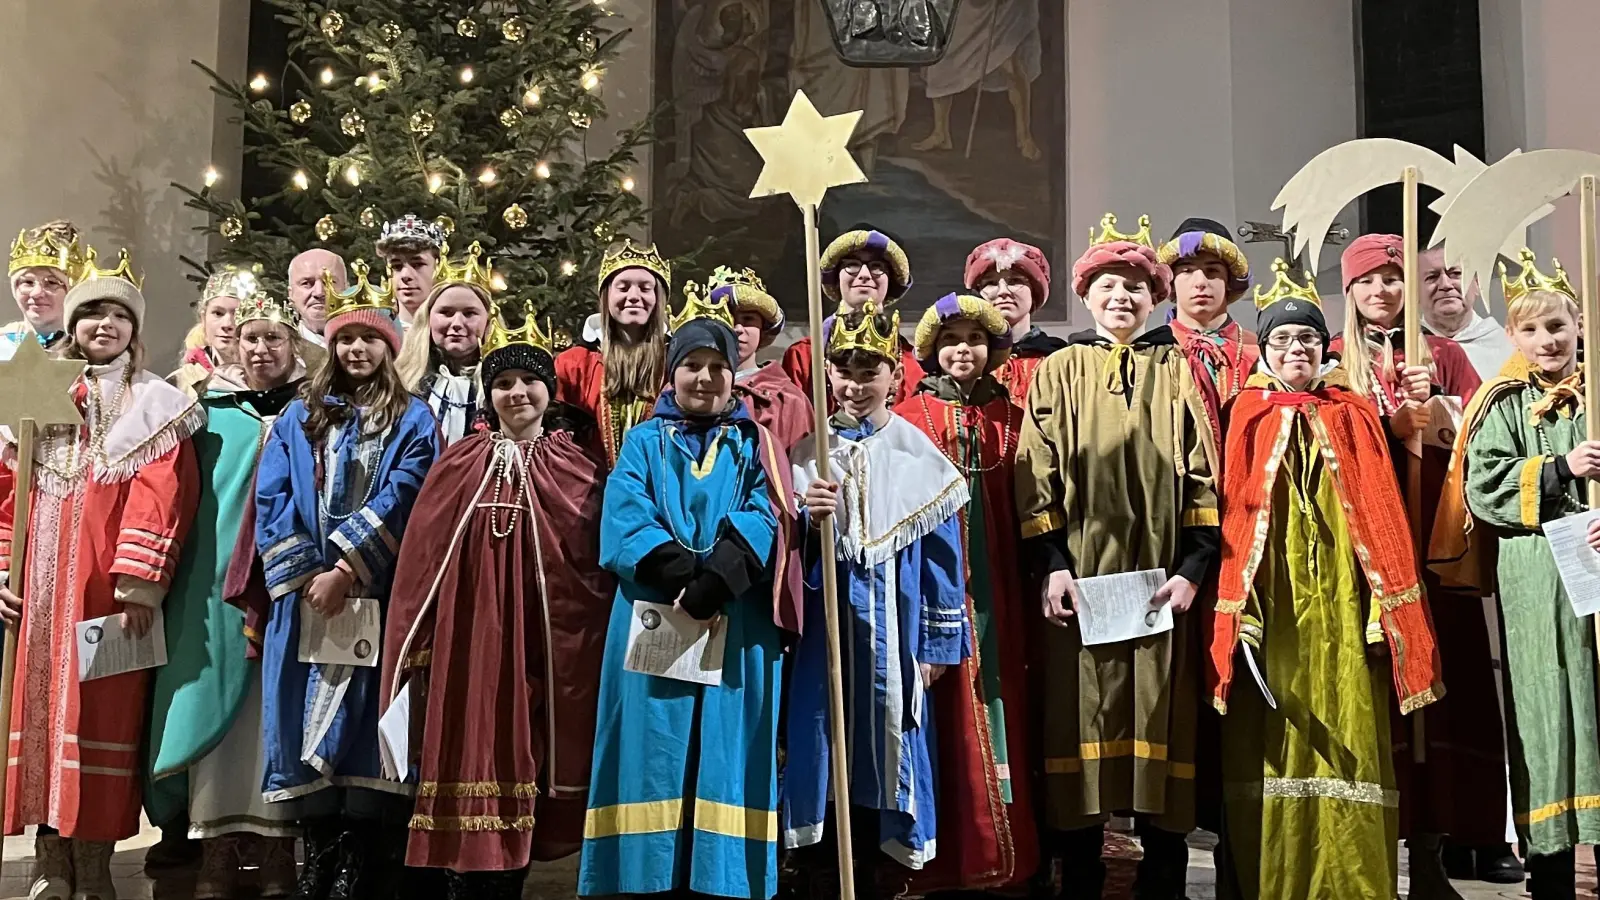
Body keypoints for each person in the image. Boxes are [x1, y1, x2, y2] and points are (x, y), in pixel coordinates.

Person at [1209, 261, 1445, 900]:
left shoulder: (1354, 411)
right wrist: (1243, 606)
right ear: (1265, 350)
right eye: (1282, 340)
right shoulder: (1245, 413)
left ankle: (1352, 880)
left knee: (1349, 724)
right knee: (1276, 729)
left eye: (1307, 340)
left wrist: (1382, 606)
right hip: (1276, 602)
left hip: (1343, 601)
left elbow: (1382, 511)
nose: (1296, 350)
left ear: (1323, 346)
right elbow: (1236, 512)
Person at [1014, 214, 1218, 900]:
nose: (1122, 298)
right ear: (1087, 294)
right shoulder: (1060, 370)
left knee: (1161, 717)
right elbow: (1032, 466)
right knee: (1081, 719)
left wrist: (1194, 569)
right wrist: (1052, 565)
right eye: (1109, 286)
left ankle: (1163, 882)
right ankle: (1079, 881)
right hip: (1082, 581)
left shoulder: (1177, 370)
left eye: (1135, 286)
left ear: (1154, 296)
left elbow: (1201, 472)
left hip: (1162, 583)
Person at [385, 302, 613, 896]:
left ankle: (514, 868)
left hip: (542, 642)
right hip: (470, 640)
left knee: (536, 744)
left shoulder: (577, 464)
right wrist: (421, 635)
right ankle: (468, 867)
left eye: (529, 381)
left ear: (548, 390)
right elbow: (423, 557)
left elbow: (588, 567)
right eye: (504, 383)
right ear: (488, 394)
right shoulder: (459, 459)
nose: (517, 393)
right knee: (470, 737)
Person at [579, 289, 798, 900]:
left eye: (717, 368)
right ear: (672, 374)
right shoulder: (644, 441)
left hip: (737, 617)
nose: (704, 379)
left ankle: (720, 880)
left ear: (734, 378)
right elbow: (624, 517)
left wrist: (716, 581)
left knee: (729, 748)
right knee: (652, 744)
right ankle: (645, 879)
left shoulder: (758, 442)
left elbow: (769, 510)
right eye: (692, 366)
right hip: (657, 613)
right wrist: (685, 579)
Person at [0, 249, 203, 900]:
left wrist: (140, 580)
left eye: (119, 316)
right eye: (93, 315)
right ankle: (48, 860)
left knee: (102, 718)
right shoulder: (36, 389)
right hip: (37, 587)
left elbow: (165, 490)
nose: (105, 325)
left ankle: (94, 865)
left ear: (134, 331)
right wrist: (2, 569)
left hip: (106, 591)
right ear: (75, 324)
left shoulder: (155, 402)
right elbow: (8, 486)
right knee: (37, 718)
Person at [255, 259, 439, 898]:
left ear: (388, 347)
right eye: (345, 339)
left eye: (368, 339)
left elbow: (407, 493)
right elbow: (272, 497)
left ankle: (361, 859)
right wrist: (310, 575)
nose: (356, 348)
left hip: (376, 595)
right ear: (331, 346)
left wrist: (346, 567)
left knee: (369, 725)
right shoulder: (297, 417)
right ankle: (318, 855)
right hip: (307, 598)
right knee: (300, 720)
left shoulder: (414, 419)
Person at [1332, 234, 1507, 897]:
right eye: (1369, 281)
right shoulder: (1329, 358)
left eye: (1393, 279)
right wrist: (1385, 421)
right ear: (1349, 291)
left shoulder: (1443, 353)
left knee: (1445, 691)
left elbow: (1483, 434)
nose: (1382, 291)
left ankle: (1438, 847)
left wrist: (1435, 408)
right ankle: (1371, 853)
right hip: (1367, 552)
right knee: (1374, 696)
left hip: (1435, 545)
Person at [785, 303, 970, 893]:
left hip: (896, 623)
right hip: (824, 624)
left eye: (869, 372)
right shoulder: (805, 452)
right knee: (821, 730)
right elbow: (788, 558)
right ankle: (818, 857)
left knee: (888, 734)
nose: (855, 385)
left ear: (895, 375)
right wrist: (807, 521)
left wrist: (941, 642)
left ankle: (879, 854)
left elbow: (944, 559)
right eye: (843, 371)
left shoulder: (917, 453)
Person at [1431, 250, 1599, 900]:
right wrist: (1560, 468)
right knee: (1542, 704)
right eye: (1530, 330)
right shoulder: (1502, 402)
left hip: (1597, 561)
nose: (1547, 341)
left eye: (1556, 326)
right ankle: (1551, 866)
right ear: (1513, 336)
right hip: (1536, 571)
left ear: (1577, 324)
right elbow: (1484, 486)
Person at [145, 290, 305, 899]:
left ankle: (276, 848)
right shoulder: (204, 409)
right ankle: (215, 846)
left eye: (274, 338)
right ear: (231, 344)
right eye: (250, 337)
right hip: (213, 584)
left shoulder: (313, 409)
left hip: (288, 583)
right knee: (214, 705)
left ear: (293, 347)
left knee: (278, 710)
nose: (261, 348)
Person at [895, 293, 1040, 891]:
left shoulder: (1015, 414)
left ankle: (1005, 850)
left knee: (1004, 699)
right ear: (931, 350)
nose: (963, 349)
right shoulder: (907, 417)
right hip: (931, 586)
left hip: (1002, 584)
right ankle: (941, 849)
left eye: (975, 340)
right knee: (940, 707)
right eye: (951, 339)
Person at [556, 238, 671, 467]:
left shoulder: (674, 362)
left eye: (645, 288)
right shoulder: (574, 364)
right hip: (588, 491)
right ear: (606, 296)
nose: (634, 296)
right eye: (624, 287)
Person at [781, 226, 923, 408]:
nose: (864, 275)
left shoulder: (912, 362)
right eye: (852, 265)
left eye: (877, 267)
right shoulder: (803, 356)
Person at [1149, 217, 1257, 449]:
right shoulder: (1151, 353)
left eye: (1212, 271)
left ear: (1228, 281)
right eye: (1187, 270)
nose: (1200, 282)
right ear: (1171, 282)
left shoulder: (1258, 351)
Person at [697, 265, 813, 451]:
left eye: (748, 319)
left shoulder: (788, 400)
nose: (737, 329)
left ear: (763, 329)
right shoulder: (685, 389)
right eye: (727, 318)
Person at [394, 241, 495, 444]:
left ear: (488, 321)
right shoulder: (402, 381)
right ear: (427, 319)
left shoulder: (503, 387)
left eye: (469, 313)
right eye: (446, 313)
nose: (457, 324)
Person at [964, 237, 1065, 405]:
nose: (1003, 291)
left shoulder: (1059, 358)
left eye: (1015, 281)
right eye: (990, 283)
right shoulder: (965, 357)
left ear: (1034, 292)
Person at [1420, 245, 1514, 381]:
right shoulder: (1405, 346)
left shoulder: (1509, 346)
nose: (1445, 284)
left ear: (1477, 284)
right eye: (1431, 277)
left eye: (1455, 274)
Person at [2, 220, 87, 360]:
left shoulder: (89, 348)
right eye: (28, 282)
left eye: (52, 283)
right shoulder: (3, 344)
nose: (36, 293)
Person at [170, 265, 258, 396]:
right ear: (203, 319)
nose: (227, 324)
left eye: (237, 314)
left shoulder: (268, 379)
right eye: (218, 313)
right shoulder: (180, 383)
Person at [375, 214, 447, 327]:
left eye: (417, 264)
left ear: (438, 268)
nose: (405, 275)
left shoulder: (451, 334)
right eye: (397, 266)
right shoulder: (378, 335)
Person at [287, 248, 348, 367]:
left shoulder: (367, 348)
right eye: (306, 283)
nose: (319, 292)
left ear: (346, 289)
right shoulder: (279, 351)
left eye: (329, 282)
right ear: (291, 294)